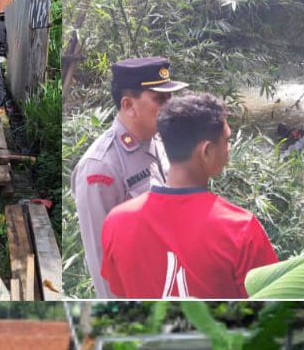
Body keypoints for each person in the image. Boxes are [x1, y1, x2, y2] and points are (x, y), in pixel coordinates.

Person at [101, 92, 279, 298]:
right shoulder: (239, 228)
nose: (229, 149)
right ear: (207, 152)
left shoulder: (116, 222)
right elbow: (273, 303)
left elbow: (119, 292)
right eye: (227, 140)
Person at [71, 57, 186, 298]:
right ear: (129, 105)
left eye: (170, 98)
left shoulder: (158, 141)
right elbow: (102, 259)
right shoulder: (101, 167)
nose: (170, 106)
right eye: (160, 100)